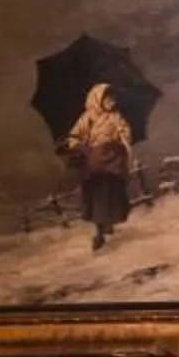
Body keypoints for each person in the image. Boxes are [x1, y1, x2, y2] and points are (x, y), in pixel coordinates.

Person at [59, 84, 134, 253]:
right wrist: (78, 143)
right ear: (98, 99)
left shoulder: (115, 117)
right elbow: (75, 135)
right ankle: (99, 230)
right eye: (108, 99)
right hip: (94, 162)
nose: (112, 102)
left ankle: (107, 224)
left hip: (113, 160)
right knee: (96, 193)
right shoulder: (88, 117)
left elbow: (125, 132)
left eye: (113, 99)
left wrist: (122, 137)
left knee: (111, 192)